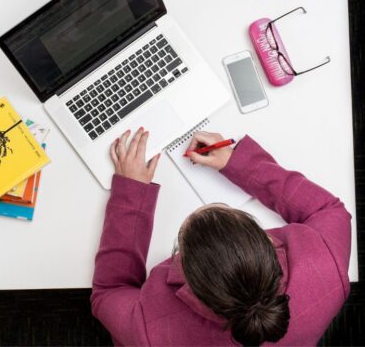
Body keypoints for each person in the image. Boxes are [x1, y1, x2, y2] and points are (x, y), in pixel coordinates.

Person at [91, 128, 351, 346]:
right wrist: (236, 162)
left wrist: (132, 193)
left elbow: (110, 292)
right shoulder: (327, 265)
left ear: (189, 280)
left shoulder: (150, 332)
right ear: (267, 240)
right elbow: (327, 209)